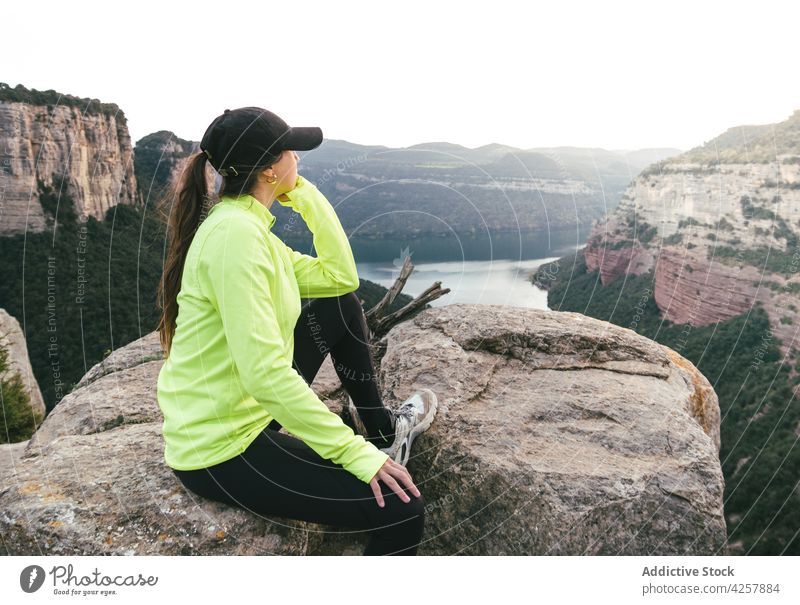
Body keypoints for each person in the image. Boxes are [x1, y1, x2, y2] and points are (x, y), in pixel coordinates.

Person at [154, 106, 438, 556]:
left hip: (245, 413)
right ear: (268, 168)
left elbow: (339, 279)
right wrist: (353, 455)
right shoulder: (237, 239)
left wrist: (302, 194)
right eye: (290, 154)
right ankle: (373, 447)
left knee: (340, 306)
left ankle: (385, 434)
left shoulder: (248, 228)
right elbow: (265, 375)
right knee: (403, 510)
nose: (298, 161)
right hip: (223, 449)